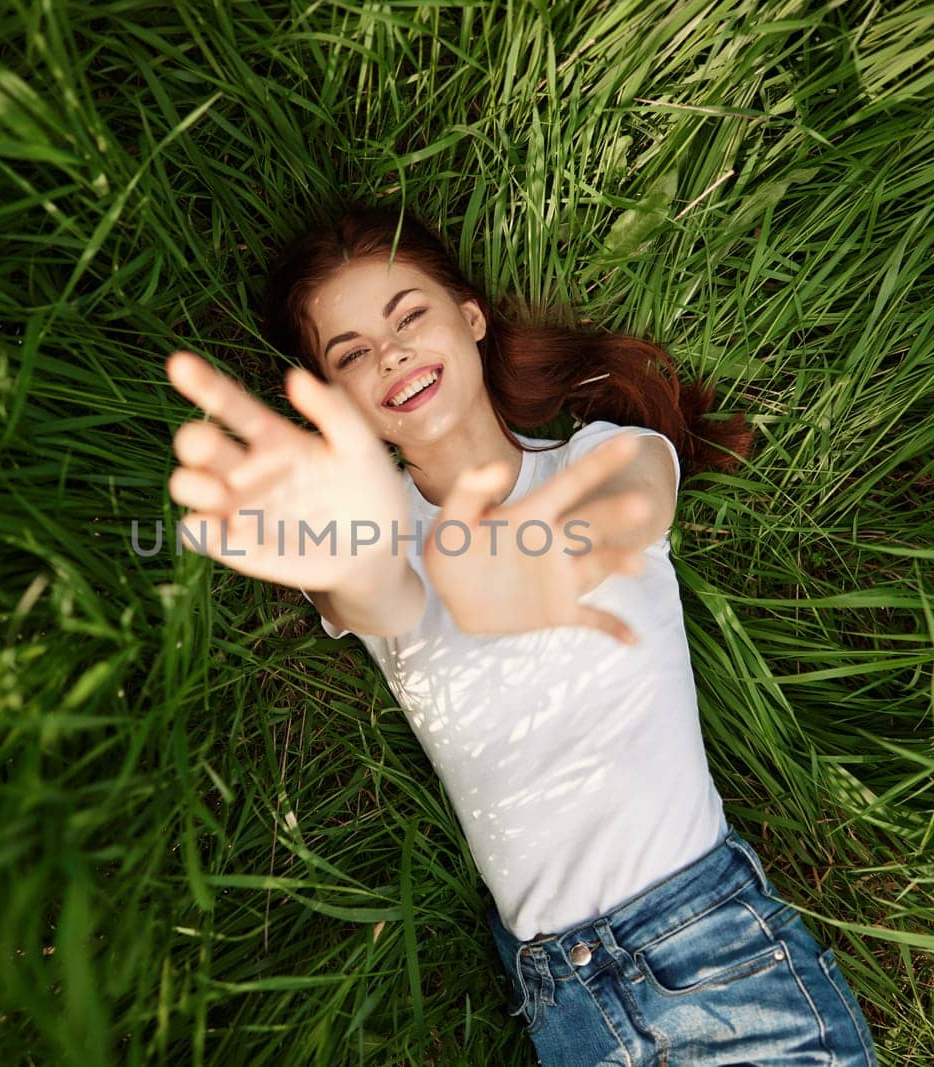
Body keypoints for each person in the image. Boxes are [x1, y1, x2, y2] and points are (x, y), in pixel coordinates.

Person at [161, 203, 878, 1065]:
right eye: (349, 354)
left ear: (470, 318)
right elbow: (378, 598)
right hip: (565, 1004)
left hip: (716, 960)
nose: (389, 355)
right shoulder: (372, 538)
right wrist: (365, 553)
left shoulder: (600, 455)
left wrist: (532, 554)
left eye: (408, 315)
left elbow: (631, 506)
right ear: (336, 402)